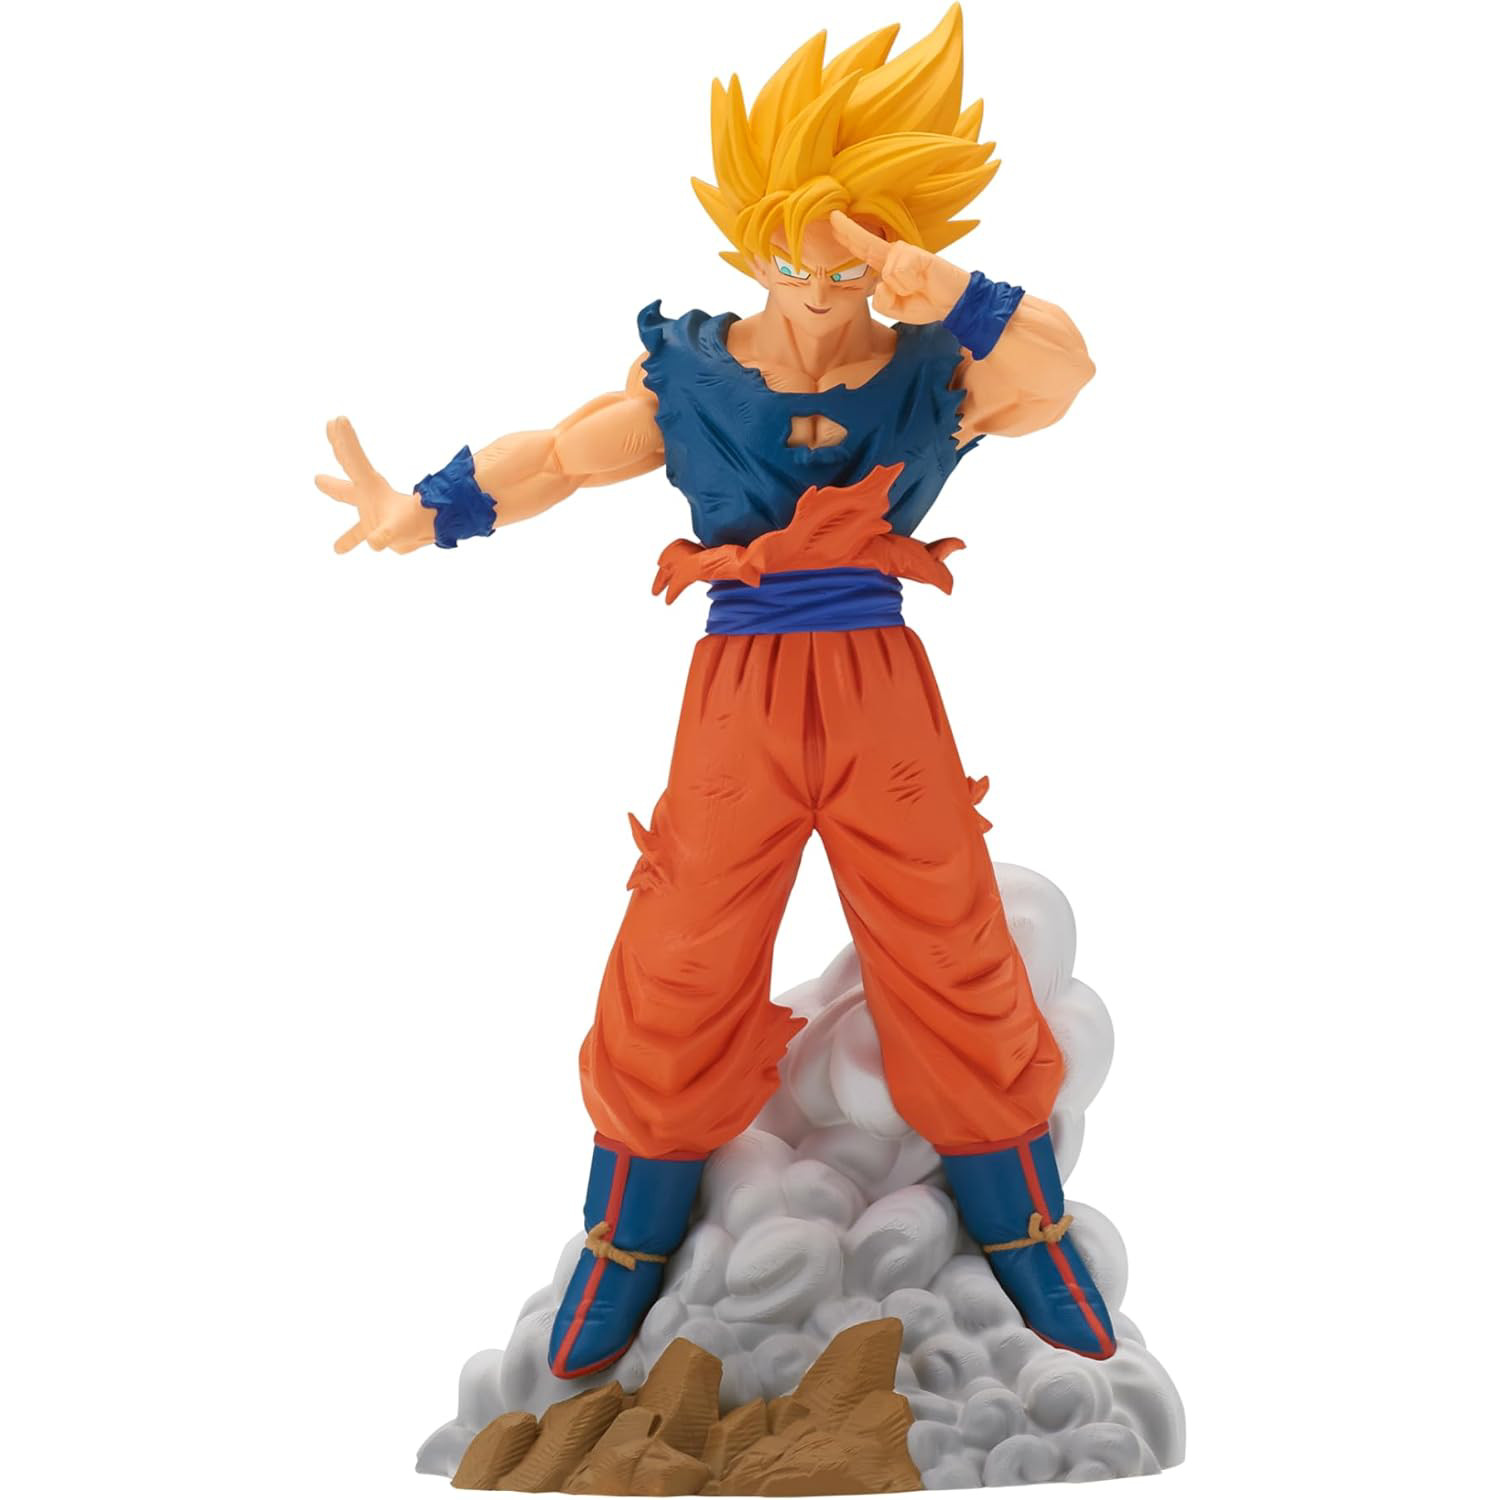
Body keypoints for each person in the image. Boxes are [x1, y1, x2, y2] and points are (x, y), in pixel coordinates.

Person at [315, 5, 1116, 1375]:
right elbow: (560, 455)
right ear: (752, 235)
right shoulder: (694, 378)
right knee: (681, 943)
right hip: (741, 684)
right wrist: (428, 508)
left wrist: (947, 288)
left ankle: (1020, 1220)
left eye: (858, 255)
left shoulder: (939, 367)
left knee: (948, 937)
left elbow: (1066, 373)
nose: (828, 282)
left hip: (880, 684)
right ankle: (628, 1234)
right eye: (805, 249)